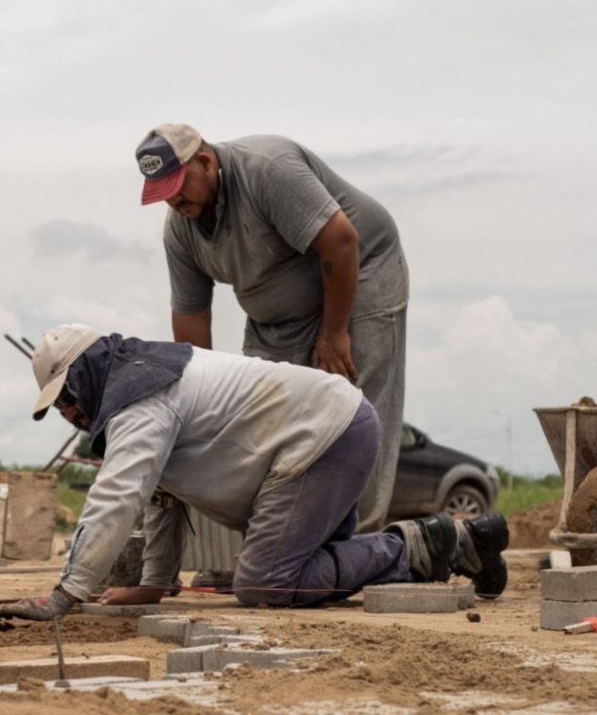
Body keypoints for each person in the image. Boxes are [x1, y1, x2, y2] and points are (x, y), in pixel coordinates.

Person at [0, 324, 507, 622]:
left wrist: (66, 593)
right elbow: (160, 496)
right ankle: (460, 545)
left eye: (67, 399)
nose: (70, 414)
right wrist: (153, 584)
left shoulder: (139, 403)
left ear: (85, 376)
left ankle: (431, 543)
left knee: (265, 583)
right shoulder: (145, 383)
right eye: (60, 410)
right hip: (332, 429)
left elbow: (116, 496)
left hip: (324, 436)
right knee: (312, 570)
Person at [135, 124, 407, 534]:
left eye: (177, 185)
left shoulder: (267, 169)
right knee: (261, 415)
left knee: (356, 410)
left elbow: (341, 241)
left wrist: (334, 334)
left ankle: (361, 545)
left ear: (206, 163)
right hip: (276, 314)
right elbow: (191, 317)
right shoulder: (181, 230)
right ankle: (280, 542)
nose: (173, 200)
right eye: (162, 193)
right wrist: (198, 401)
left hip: (360, 273)